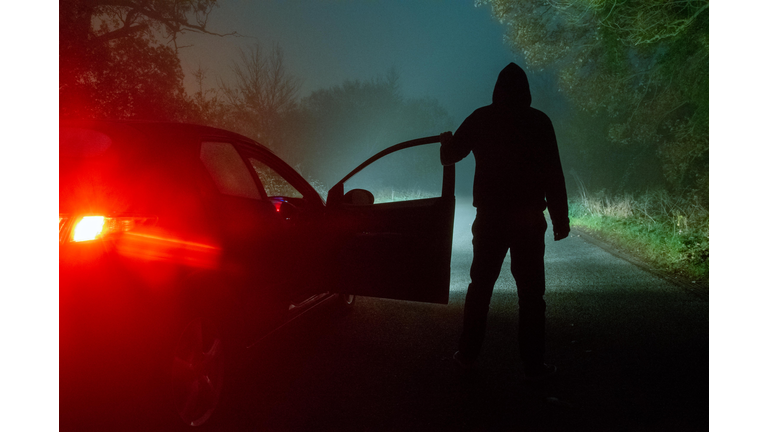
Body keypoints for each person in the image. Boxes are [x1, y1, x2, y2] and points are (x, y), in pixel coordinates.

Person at [439, 62, 569, 380]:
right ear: (526, 91)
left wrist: (446, 140)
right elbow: (554, 173)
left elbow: (449, 155)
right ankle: (533, 365)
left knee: (480, 288)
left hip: (491, 219)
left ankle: (468, 355)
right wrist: (559, 219)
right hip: (528, 219)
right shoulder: (539, 122)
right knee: (531, 295)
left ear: (497, 89)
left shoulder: (482, 118)